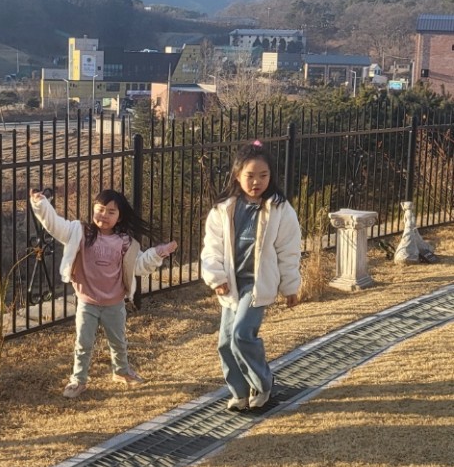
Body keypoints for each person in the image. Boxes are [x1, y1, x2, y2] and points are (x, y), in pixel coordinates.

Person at [29, 188, 178, 398]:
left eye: (111, 212)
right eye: (100, 210)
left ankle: (122, 371)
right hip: (87, 302)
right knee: (83, 343)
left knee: (118, 341)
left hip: (114, 303)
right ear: (93, 210)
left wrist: (158, 253)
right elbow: (55, 225)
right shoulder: (79, 232)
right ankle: (78, 380)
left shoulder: (125, 242)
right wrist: (41, 204)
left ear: (120, 217)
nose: (104, 216)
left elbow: (138, 265)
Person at [200, 141, 302, 412]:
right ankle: (240, 393)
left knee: (242, 334)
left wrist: (290, 286)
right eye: (250, 176)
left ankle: (263, 383)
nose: (256, 182)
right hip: (231, 284)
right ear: (237, 175)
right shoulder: (223, 209)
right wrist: (216, 277)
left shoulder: (280, 209)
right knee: (225, 342)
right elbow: (212, 247)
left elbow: (288, 251)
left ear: (271, 176)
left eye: (263, 176)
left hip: (258, 285)